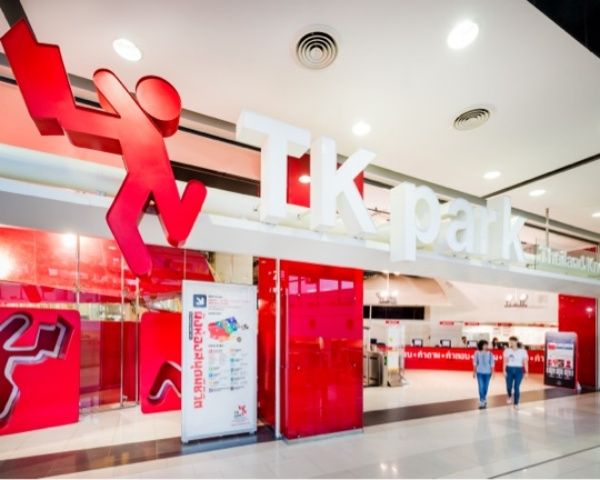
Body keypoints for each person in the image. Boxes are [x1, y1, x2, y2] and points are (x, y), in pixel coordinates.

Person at [503, 336, 529, 409]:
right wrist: (504, 370)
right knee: (509, 386)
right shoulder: (507, 350)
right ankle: (509, 396)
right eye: (510, 341)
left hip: (519, 370)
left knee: (516, 387)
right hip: (509, 369)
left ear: (517, 342)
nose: (511, 343)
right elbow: (505, 361)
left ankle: (516, 403)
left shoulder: (523, 351)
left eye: (513, 341)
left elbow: (525, 362)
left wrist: (526, 372)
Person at [473, 340, 494, 409]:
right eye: (484, 345)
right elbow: (475, 363)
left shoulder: (490, 354)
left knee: (486, 387)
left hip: (488, 373)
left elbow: (492, 364)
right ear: (481, 345)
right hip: (480, 372)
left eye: (486, 345)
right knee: (481, 386)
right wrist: (474, 372)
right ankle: (482, 400)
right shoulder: (477, 353)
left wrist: (493, 372)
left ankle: (484, 398)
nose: (486, 346)